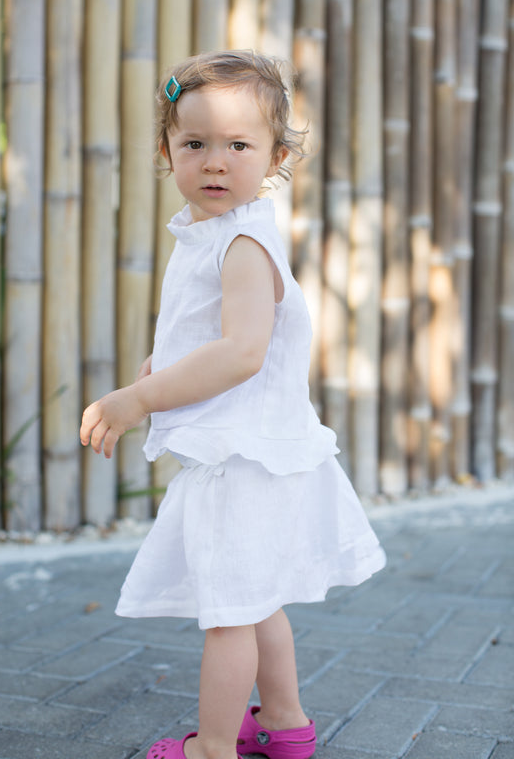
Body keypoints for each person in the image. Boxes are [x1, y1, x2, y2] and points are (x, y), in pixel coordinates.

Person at [80, 50, 386, 759]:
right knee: (256, 597)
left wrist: (139, 397)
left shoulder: (243, 242)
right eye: (196, 144)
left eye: (239, 146)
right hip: (253, 452)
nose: (216, 162)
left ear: (276, 156)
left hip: (242, 462)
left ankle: (212, 748)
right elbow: (215, 333)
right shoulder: (212, 232)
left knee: (227, 615)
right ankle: (284, 724)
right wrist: (169, 363)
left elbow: (244, 350)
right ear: (167, 151)